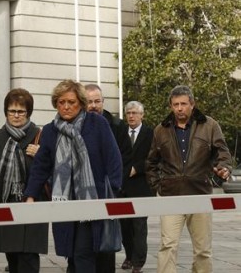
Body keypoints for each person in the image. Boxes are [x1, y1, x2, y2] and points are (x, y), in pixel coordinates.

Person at [24, 79, 122, 273]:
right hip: (65, 203)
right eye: (61, 102)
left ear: (81, 103)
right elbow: (41, 166)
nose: (66, 106)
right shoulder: (51, 130)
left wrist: (113, 191)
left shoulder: (97, 123)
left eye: (71, 102)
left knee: (82, 253)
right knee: (72, 255)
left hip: (93, 201)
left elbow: (113, 159)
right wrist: (30, 195)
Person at [146, 85, 233, 273]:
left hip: (200, 194)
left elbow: (223, 153)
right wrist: (157, 186)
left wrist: (224, 168)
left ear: (192, 104)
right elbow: (151, 162)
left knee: (203, 251)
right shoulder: (161, 130)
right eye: (175, 104)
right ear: (170, 105)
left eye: (183, 104)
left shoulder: (210, 125)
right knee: (168, 246)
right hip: (170, 196)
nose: (179, 108)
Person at [0, 88, 49, 273]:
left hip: (32, 204)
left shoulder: (40, 136)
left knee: (29, 258)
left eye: (21, 111)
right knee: (13, 258)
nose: (16, 115)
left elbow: (53, 167)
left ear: (28, 112)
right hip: (5, 205)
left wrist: (40, 155)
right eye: (12, 111)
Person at [84, 84, 133, 272]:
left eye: (97, 101)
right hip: (85, 191)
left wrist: (114, 186)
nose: (94, 105)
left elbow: (125, 158)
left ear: (103, 102)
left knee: (106, 242)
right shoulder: (78, 124)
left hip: (109, 192)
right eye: (89, 102)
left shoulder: (118, 126)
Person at [117, 101, 154, 273]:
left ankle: (138, 262)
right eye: (128, 113)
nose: (131, 116)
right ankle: (129, 256)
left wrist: (137, 168)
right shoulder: (120, 132)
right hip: (123, 186)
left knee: (139, 226)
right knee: (124, 225)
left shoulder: (150, 133)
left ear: (142, 115)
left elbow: (154, 158)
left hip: (141, 186)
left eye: (134, 113)